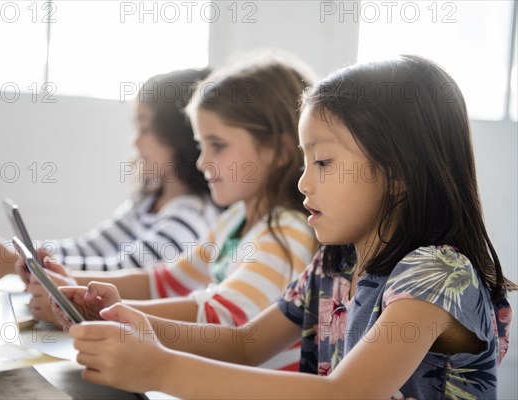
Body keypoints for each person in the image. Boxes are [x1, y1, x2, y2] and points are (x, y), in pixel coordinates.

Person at [58, 55, 514, 398]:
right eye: (304, 162)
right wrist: (136, 322)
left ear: (398, 170)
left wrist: (159, 370)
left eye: (323, 161)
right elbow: (244, 343)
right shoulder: (333, 263)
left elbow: (346, 394)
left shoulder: (436, 275)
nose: (302, 181)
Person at [45, 56, 318, 369]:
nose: (202, 162)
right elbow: (162, 281)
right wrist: (70, 287)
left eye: (217, 145)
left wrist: (112, 314)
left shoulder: (285, 235)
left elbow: (220, 319)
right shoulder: (235, 221)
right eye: (201, 146)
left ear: (279, 150)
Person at [0, 68, 221, 287]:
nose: (135, 141)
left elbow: (122, 273)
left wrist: (18, 261)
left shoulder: (190, 217)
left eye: (145, 128)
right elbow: (88, 248)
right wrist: (10, 250)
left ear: (181, 135)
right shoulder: (148, 201)